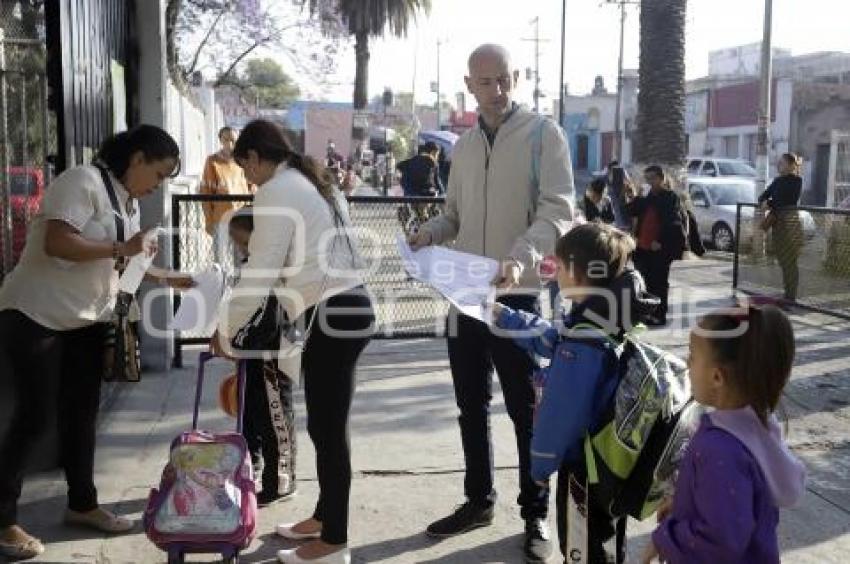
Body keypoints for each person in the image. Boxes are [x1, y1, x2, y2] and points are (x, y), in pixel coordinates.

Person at [410, 43, 575, 563]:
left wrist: (520, 257)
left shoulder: (544, 135)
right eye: (486, 82)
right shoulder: (462, 147)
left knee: (528, 413)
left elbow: (559, 209)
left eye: (505, 79)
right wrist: (427, 232)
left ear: (517, 77)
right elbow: (454, 215)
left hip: (517, 296)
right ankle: (478, 500)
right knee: (470, 406)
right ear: (470, 84)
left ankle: (536, 514)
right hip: (465, 295)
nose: (497, 90)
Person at [0, 125, 194, 560]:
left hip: (86, 320)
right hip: (36, 314)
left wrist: (168, 278)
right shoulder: (82, 181)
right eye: (159, 174)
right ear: (138, 158)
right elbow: (57, 242)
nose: (156, 186)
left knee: (81, 414)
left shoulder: (126, 203)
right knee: (33, 416)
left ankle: (82, 504)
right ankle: (3, 520)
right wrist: (120, 246)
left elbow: (121, 261)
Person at [210, 119, 374, 564]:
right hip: (346, 307)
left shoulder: (278, 190)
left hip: (335, 312)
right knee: (324, 425)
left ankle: (335, 539)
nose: (247, 177)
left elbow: (261, 270)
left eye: (246, 167)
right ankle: (323, 518)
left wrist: (225, 328)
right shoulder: (312, 182)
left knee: (328, 429)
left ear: (256, 157)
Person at [494, 223, 658, 563]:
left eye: (559, 266)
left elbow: (559, 417)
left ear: (578, 273)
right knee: (608, 544)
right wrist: (505, 316)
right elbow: (554, 338)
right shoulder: (603, 321)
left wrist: (539, 470)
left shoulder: (583, 341)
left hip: (585, 472)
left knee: (583, 549)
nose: (553, 273)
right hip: (610, 463)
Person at [641, 305, 806, 563]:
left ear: (717, 377)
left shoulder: (717, 448)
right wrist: (685, 506)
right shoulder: (757, 428)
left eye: (693, 357)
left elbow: (719, 542)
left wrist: (664, 538)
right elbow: (736, 504)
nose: (687, 363)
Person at [228, 208, 297, 507]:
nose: (240, 249)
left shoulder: (272, 270)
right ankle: (252, 468)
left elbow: (269, 318)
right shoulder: (254, 265)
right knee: (252, 414)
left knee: (274, 419)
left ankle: (280, 482)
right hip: (254, 353)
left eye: (243, 243)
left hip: (272, 356)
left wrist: (239, 341)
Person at [625, 165, 687, 326]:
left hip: (660, 248)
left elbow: (671, 222)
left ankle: (659, 315)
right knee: (643, 281)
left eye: (652, 178)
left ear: (661, 178)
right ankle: (647, 314)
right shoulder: (646, 197)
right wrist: (637, 196)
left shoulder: (669, 196)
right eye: (647, 178)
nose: (649, 181)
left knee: (659, 282)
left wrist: (659, 241)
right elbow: (631, 211)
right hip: (643, 247)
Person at [199, 126, 254, 264]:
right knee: (220, 260)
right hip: (221, 218)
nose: (230, 144)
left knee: (241, 259)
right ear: (220, 140)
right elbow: (206, 192)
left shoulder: (242, 162)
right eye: (226, 139)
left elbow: (251, 186)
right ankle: (222, 285)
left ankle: (240, 285)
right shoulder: (212, 161)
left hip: (241, 218)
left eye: (233, 140)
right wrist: (209, 219)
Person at [758, 153, 804, 302]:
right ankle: (787, 293)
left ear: (791, 165)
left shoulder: (797, 181)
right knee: (783, 259)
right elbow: (762, 196)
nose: (779, 165)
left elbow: (785, 199)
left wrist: (769, 203)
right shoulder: (777, 181)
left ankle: (791, 295)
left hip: (790, 223)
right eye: (778, 163)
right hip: (778, 224)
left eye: (782, 163)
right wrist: (765, 201)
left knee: (791, 259)